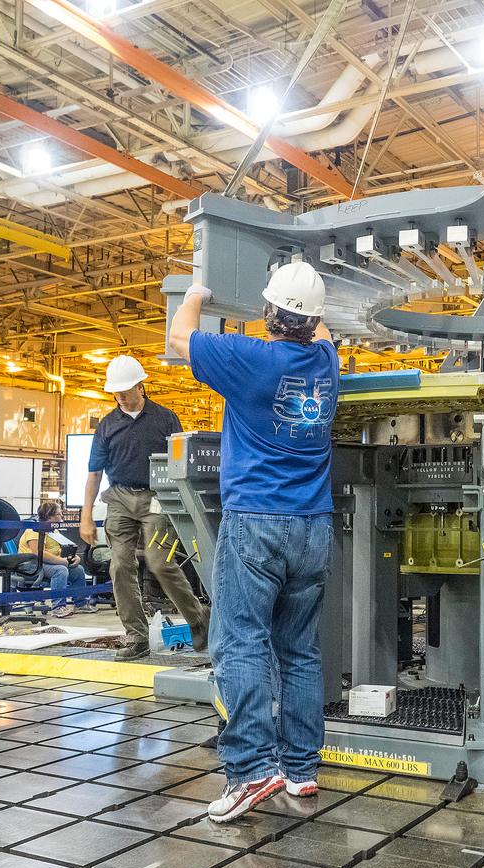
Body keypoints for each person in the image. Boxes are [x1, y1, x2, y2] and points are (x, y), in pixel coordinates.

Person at [168, 261, 338, 823]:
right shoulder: (327, 364)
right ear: (314, 321)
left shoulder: (252, 361)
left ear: (269, 313)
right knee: (299, 650)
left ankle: (250, 769)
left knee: (238, 644)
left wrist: (197, 290)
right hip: (313, 526)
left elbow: (177, 337)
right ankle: (302, 768)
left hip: (257, 523)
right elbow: (325, 331)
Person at [78, 355, 209, 660]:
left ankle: (198, 618)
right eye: (116, 392)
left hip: (157, 497)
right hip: (119, 498)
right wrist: (86, 516)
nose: (120, 396)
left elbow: (180, 464)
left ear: (141, 385)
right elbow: (94, 474)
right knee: (120, 565)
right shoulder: (107, 426)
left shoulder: (165, 419)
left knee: (159, 561)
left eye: (125, 390)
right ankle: (136, 637)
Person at [20, 501, 94, 618]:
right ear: (50, 516)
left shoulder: (54, 531)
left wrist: (74, 558)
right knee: (61, 570)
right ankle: (58, 608)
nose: (62, 517)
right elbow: (37, 553)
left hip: (49, 564)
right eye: (59, 514)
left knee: (78, 570)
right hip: (32, 564)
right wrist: (62, 562)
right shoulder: (34, 530)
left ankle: (81, 604)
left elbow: (63, 551)